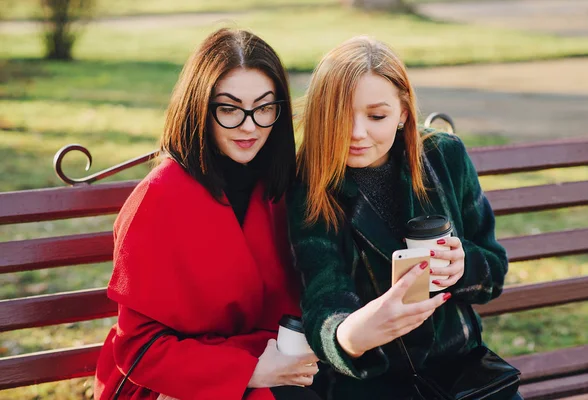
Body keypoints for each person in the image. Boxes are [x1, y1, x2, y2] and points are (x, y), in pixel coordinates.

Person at [94, 28, 321, 400]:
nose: (249, 126)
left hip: (278, 366)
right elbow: (139, 350)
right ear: (199, 108)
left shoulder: (281, 186)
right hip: (175, 384)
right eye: (229, 109)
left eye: (264, 108)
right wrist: (248, 372)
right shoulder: (158, 197)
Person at [287, 36, 513, 399]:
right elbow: (323, 296)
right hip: (372, 381)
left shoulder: (443, 156)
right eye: (337, 116)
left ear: (403, 112)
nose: (355, 134)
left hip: (462, 373)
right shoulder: (309, 185)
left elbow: (494, 272)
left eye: (377, 116)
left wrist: (463, 266)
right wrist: (351, 335)